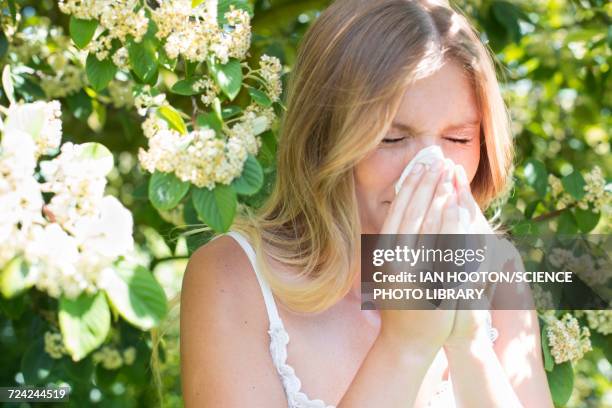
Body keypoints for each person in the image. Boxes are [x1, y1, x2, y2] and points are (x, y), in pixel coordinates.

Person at [180, 0, 554, 406]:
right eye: (392, 139)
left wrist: (470, 344)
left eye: (458, 139)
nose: (429, 169)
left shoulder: (498, 271)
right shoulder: (232, 277)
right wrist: (405, 346)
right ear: (324, 140)